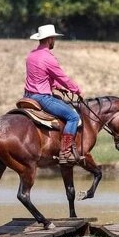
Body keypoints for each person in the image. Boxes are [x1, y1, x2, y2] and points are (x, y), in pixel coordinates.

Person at [24, 24, 83, 164]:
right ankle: (65, 152)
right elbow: (63, 78)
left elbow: (41, 76)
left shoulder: (31, 55)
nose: (54, 41)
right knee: (73, 116)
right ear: (50, 39)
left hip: (27, 96)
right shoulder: (48, 58)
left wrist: (56, 87)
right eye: (54, 39)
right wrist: (76, 89)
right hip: (42, 97)